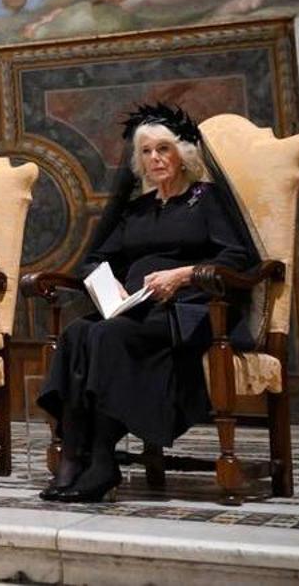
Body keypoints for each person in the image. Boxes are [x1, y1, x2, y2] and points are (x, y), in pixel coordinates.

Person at [37, 104, 259, 503]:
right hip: (137, 309)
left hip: (191, 311)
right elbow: (93, 258)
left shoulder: (205, 199)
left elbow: (238, 257)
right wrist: (110, 283)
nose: (155, 158)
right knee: (76, 334)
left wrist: (183, 275)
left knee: (104, 336)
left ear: (183, 154)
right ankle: (72, 456)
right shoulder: (136, 209)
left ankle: (102, 460)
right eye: (146, 151)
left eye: (163, 149)